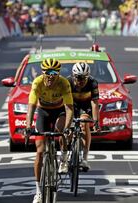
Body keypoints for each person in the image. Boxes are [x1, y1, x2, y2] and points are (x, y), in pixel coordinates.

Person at [25, 58, 74, 203]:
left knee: (61, 130)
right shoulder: (38, 82)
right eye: (48, 72)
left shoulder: (64, 83)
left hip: (59, 111)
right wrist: (28, 126)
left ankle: (64, 157)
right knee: (40, 151)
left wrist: (68, 127)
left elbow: (69, 107)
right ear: (43, 72)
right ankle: (39, 191)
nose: (51, 75)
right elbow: (31, 106)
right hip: (43, 112)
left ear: (58, 73)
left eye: (55, 72)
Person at [67, 62, 100, 170]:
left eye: (84, 78)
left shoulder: (93, 83)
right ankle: (66, 154)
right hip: (72, 106)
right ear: (73, 76)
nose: (81, 81)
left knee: (85, 124)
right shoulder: (68, 82)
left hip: (85, 107)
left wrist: (96, 122)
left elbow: (95, 103)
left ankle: (85, 158)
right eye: (78, 78)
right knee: (68, 129)